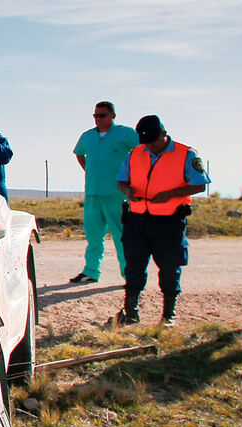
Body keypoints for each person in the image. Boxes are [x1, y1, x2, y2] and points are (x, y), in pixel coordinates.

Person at [112, 115, 209, 327]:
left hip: (169, 222)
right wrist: (128, 191)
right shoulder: (135, 153)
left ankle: (168, 314)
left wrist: (171, 194)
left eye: (153, 141)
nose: (150, 146)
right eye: (145, 142)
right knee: (134, 266)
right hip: (137, 219)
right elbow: (121, 180)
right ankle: (130, 311)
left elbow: (200, 184)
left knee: (169, 266)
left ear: (164, 134)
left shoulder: (186, 154)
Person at [70, 101, 140, 284]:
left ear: (112, 116)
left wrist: (134, 174)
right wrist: (89, 170)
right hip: (93, 194)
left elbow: (142, 149)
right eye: (95, 116)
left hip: (117, 195)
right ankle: (91, 272)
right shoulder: (88, 137)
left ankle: (129, 275)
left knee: (122, 237)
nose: (98, 119)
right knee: (93, 237)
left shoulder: (125, 134)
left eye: (102, 115)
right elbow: (79, 153)